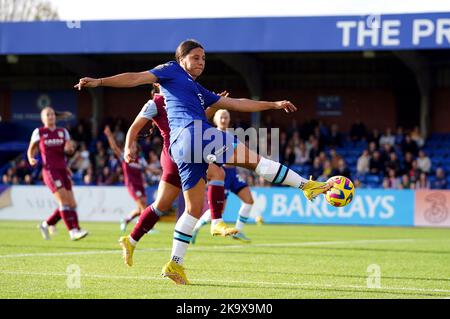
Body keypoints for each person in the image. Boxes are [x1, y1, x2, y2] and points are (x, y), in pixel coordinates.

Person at [75, 39, 331, 285]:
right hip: (194, 133)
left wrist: (272, 104)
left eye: (204, 58)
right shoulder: (169, 71)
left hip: (180, 149)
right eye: (195, 57)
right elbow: (136, 77)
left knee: (193, 209)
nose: (201, 62)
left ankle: (175, 263)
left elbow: (236, 103)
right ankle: (305, 187)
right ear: (181, 59)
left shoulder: (198, 90)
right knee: (255, 161)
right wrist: (99, 82)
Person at [191, 109, 261, 244]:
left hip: (233, 174)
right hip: (220, 174)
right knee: (219, 210)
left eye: (226, 117)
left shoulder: (231, 135)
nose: (224, 120)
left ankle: (238, 231)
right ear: (216, 120)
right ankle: (195, 228)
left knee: (249, 200)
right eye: (221, 117)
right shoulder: (212, 135)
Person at [27, 107, 88, 241]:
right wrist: (31, 158)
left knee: (72, 204)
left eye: (52, 114)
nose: (51, 116)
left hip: (63, 170)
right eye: (47, 115)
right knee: (64, 201)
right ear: (43, 118)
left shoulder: (63, 132)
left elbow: (69, 150)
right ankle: (73, 231)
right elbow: (31, 149)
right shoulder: (39, 132)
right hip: (50, 171)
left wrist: (70, 149)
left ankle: (46, 224)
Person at [104, 125, 148, 232]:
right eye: (131, 147)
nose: (133, 148)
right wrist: (109, 135)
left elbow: (148, 169)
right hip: (132, 184)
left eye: (134, 147)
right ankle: (146, 227)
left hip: (140, 184)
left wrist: (161, 170)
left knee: (140, 208)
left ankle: (125, 220)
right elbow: (114, 148)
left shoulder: (140, 160)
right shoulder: (125, 157)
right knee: (142, 205)